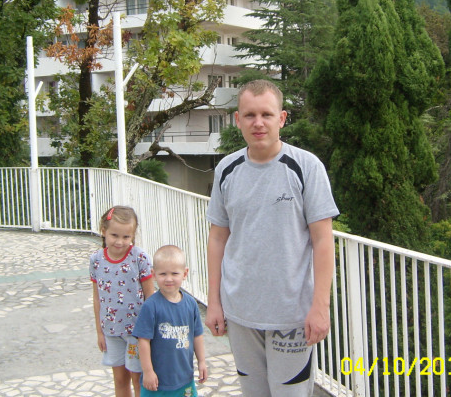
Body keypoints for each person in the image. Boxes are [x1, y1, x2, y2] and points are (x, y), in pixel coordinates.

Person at [205, 79, 339, 397]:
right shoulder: (226, 169)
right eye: (249, 115)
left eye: (266, 114)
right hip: (240, 312)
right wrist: (214, 302)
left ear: (282, 118)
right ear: (237, 120)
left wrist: (320, 307)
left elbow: (323, 241)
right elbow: (217, 238)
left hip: (292, 314)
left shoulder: (307, 167)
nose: (258, 123)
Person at [90, 206, 155, 397]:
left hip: (137, 333)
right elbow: (97, 297)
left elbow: (150, 297)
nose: (120, 242)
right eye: (114, 235)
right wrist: (99, 332)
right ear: (103, 231)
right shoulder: (96, 260)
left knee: (138, 379)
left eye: (126, 237)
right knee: (119, 380)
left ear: (133, 235)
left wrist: (149, 332)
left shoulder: (139, 258)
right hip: (111, 332)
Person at [134, 245, 208, 396]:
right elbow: (143, 341)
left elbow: (197, 335)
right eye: (163, 274)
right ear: (153, 274)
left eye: (174, 273)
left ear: (185, 273)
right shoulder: (150, 306)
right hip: (157, 382)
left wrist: (202, 361)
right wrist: (148, 371)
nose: (169, 279)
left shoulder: (191, 304)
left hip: (184, 378)